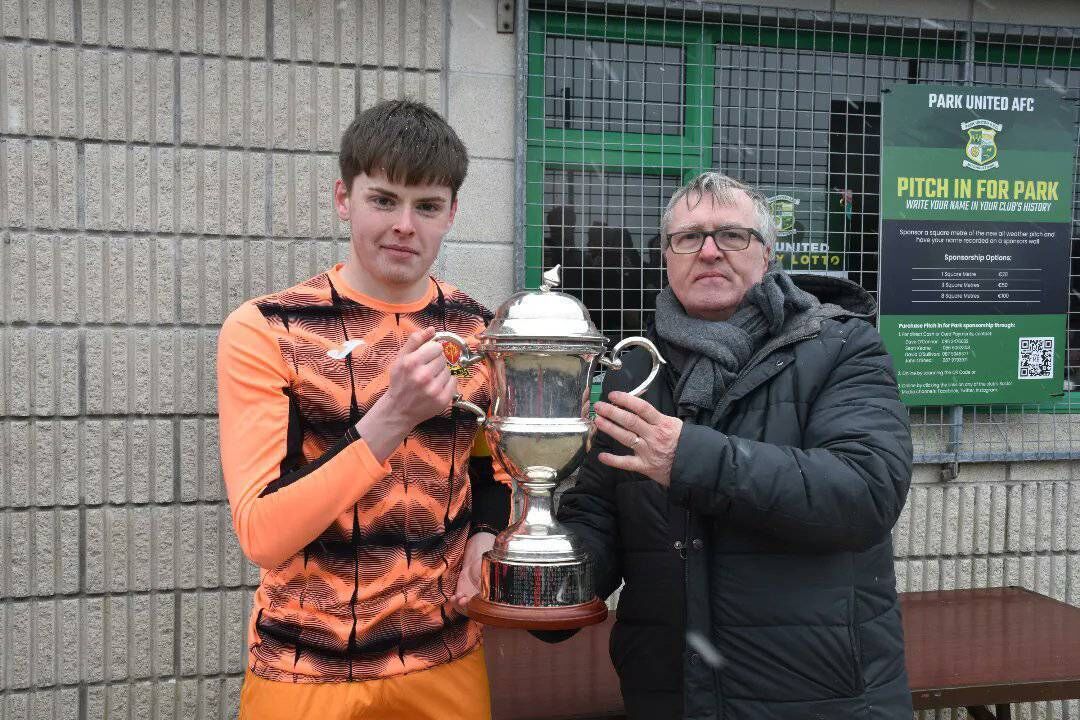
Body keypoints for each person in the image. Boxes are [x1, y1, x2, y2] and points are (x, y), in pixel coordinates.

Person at [555, 171, 913, 719]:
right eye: (688, 238)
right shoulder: (636, 368)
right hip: (670, 696)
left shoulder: (843, 347)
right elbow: (600, 510)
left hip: (817, 699)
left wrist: (690, 459)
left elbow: (865, 492)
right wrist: (550, 578)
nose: (709, 251)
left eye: (732, 235)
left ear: (766, 254)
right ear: (666, 257)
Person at [217, 99, 510, 720]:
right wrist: (391, 417)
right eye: (383, 200)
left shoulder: (478, 333)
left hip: (447, 657)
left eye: (426, 206)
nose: (405, 225)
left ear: (451, 213)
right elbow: (262, 533)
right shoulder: (269, 329)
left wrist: (487, 537)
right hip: (305, 668)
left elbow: (492, 472)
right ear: (343, 198)